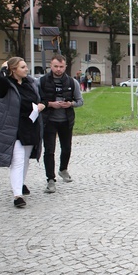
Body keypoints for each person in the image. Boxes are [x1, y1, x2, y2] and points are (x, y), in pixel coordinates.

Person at [0, 57, 46, 208]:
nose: (26, 69)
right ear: (13, 70)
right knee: (18, 160)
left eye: (26, 66)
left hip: (30, 124)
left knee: (26, 159)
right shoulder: (6, 84)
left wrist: (41, 105)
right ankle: (17, 196)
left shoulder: (30, 83)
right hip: (13, 127)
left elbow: (41, 98)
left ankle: (20, 184)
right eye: (22, 67)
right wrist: (3, 68)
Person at [38, 55, 84, 194]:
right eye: (56, 66)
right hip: (49, 120)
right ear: (50, 66)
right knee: (49, 150)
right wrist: (50, 104)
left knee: (66, 147)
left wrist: (70, 104)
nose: (58, 69)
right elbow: (37, 100)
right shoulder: (42, 81)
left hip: (66, 120)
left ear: (65, 67)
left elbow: (80, 101)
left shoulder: (72, 82)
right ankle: (50, 180)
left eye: (61, 67)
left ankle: (63, 169)